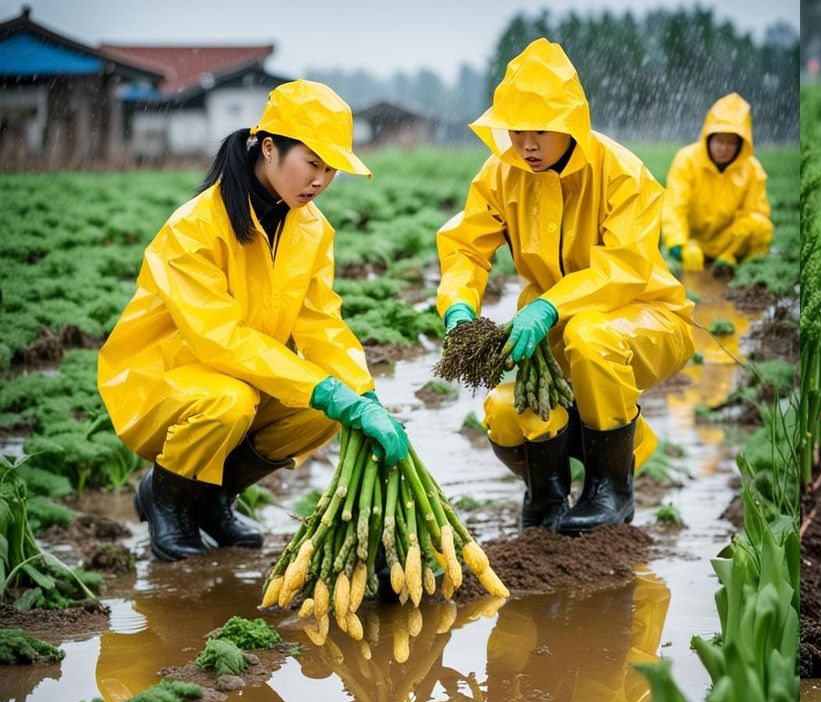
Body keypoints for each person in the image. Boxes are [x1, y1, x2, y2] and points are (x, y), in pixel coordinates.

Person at [98, 81, 408, 563]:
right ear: (269, 148)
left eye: (331, 170)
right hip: (162, 381)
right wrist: (325, 388)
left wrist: (361, 395)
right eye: (312, 163)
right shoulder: (195, 228)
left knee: (319, 411)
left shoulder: (312, 229)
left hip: (247, 376)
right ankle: (168, 497)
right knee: (231, 401)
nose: (320, 181)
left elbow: (322, 323)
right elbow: (219, 340)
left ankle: (214, 498)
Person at [437, 40, 694, 537]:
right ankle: (547, 497)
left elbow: (623, 268)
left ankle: (610, 491)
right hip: (556, 323)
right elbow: (466, 250)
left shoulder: (622, 173)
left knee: (591, 337)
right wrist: (458, 308)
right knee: (507, 411)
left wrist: (550, 306)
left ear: (570, 124)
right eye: (516, 130)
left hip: (648, 315)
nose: (526, 144)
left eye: (540, 130)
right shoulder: (501, 173)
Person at [662, 93, 773, 276]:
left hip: (727, 241)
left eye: (731, 142)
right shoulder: (686, 159)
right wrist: (678, 243)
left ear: (741, 145)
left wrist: (731, 252)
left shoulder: (752, 169)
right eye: (719, 140)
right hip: (693, 242)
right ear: (708, 138)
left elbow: (757, 214)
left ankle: (742, 268)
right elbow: (675, 206)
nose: (724, 148)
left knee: (761, 225)